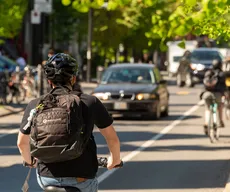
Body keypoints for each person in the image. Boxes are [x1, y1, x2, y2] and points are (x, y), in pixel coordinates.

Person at [17, 53, 121, 192]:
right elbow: (112, 139)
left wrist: (30, 161)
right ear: (73, 78)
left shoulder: (35, 105)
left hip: (47, 177)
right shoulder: (90, 102)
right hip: (81, 178)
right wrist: (114, 160)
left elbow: (21, 143)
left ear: (48, 80)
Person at [200, 59, 226, 134]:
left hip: (207, 94)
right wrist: (224, 94)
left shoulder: (208, 72)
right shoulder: (222, 74)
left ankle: (206, 123)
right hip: (217, 94)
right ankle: (220, 121)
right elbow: (224, 87)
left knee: (208, 109)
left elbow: (204, 83)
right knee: (219, 107)